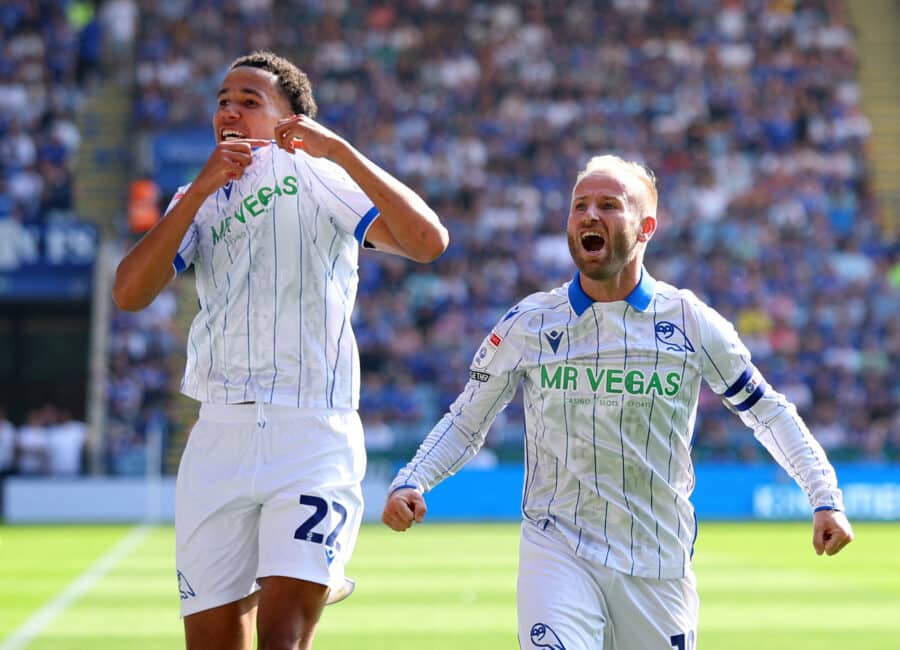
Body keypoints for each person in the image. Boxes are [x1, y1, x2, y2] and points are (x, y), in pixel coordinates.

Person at [382, 154, 853, 649]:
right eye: (579, 205)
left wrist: (824, 497)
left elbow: (767, 411)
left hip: (655, 561)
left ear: (646, 227)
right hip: (557, 547)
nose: (589, 215)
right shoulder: (529, 323)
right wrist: (413, 479)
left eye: (609, 205)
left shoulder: (691, 323)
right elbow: (467, 419)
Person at [113, 50, 448, 650]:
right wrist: (196, 194)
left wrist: (338, 150)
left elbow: (429, 242)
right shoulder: (195, 196)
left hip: (309, 434)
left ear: (290, 122)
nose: (230, 111)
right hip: (217, 438)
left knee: (282, 638)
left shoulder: (318, 175)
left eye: (249, 101)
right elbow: (128, 293)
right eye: (222, 100)